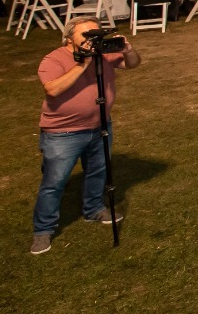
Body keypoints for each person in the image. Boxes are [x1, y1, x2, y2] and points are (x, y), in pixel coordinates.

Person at [31, 20, 143, 255]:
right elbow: (52, 89)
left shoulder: (104, 54)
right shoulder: (53, 59)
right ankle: (43, 230)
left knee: (98, 171)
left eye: (96, 34)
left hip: (100, 125)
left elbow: (133, 65)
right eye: (86, 35)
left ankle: (93, 208)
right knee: (54, 182)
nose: (93, 40)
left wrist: (129, 51)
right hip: (63, 132)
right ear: (69, 39)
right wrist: (83, 64)